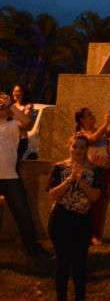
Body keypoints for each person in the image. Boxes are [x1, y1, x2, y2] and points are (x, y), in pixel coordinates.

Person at [48, 134, 101, 301]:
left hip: (82, 221)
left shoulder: (94, 170)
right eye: (75, 146)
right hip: (61, 219)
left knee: (80, 264)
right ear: (69, 147)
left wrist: (81, 181)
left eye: (82, 147)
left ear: (86, 150)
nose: (78, 150)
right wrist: (70, 180)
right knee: (62, 263)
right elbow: (53, 195)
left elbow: (94, 197)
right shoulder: (59, 167)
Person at [0, 92, 47, 265]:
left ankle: (33, 250)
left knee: (23, 214)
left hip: (10, 178)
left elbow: (27, 123)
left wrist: (10, 104)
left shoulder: (12, 125)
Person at [73, 106, 110, 244]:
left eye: (92, 114)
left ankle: (96, 234)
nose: (93, 116)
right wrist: (106, 123)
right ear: (82, 120)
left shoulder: (100, 131)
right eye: (89, 115)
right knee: (88, 203)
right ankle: (85, 233)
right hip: (90, 171)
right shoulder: (80, 134)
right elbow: (93, 139)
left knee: (101, 204)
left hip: (104, 171)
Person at [10, 85, 35, 160]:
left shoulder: (28, 106)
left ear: (23, 93)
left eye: (18, 91)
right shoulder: (11, 106)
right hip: (10, 139)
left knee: (15, 163)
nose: (15, 93)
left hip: (20, 140)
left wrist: (11, 122)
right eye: (14, 91)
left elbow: (25, 125)